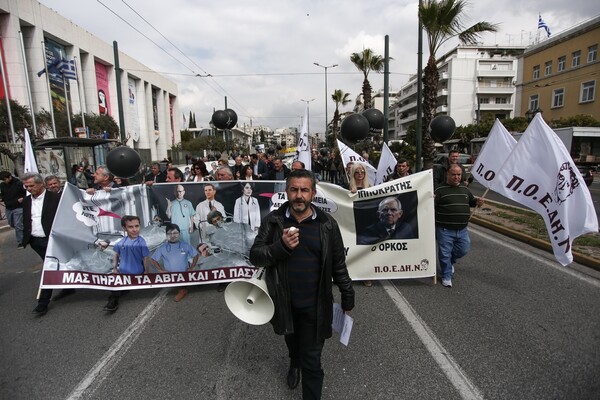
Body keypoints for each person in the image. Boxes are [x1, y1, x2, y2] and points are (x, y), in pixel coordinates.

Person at [249, 169, 355, 399]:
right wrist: (281, 247)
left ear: (313, 193)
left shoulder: (327, 224)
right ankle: (293, 361)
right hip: (284, 302)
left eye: (304, 190)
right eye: (294, 189)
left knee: (312, 362)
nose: (299, 195)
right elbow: (255, 255)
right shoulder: (274, 221)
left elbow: (338, 265)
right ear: (286, 191)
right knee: (291, 339)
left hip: (315, 306)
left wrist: (348, 297)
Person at [22, 173, 74, 315]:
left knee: (48, 268)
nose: (29, 189)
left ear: (40, 184)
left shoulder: (56, 198)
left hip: (52, 240)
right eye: (26, 186)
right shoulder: (26, 201)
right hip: (35, 241)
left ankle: (43, 303)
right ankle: (69, 287)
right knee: (55, 265)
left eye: (31, 186)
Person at [434, 164, 484, 288]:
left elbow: (471, 202)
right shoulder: (439, 190)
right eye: (454, 174)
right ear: (447, 175)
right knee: (445, 253)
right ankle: (446, 276)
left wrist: (478, 202)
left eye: (459, 175)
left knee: (464, 249)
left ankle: (450, 262)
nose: (456, 177)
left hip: (462, 230)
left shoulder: (465, 189)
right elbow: (430, 207)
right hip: (444, 229)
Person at [104, 215, 150, 312]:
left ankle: (123, 289)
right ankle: (114, 301)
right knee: (114, 286)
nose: (134, 229)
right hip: (123, 273)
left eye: (137, 226)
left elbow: (145, 257)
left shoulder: (142, 242)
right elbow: (116, 254)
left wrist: (146, 271)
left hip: (137, 273)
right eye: (130, 227)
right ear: (124, 228)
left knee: (121, 287)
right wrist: (115, 268)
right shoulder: (121, 242)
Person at [150, 224, 199, 302]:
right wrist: (161, 270)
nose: (172, 236)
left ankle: (183, 290)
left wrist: (192, 267)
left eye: (175, 233)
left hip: (184, 275)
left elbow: (196, 255)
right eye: (169, 233)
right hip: (170, 276)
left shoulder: (185, 245)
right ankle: (182, 288)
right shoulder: (162, 247)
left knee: (182, 286)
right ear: (166, 235)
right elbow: (153, 259)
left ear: (179, 234)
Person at [0, 171, 26, 248]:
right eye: (3, 180)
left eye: (5, 179)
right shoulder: (2, 185)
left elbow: (26, 193)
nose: (5, 181)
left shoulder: (19, 184)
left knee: (18, 224)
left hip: (18, 207)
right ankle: (25, 231)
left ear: (10, 177)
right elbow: (3, 194)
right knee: (12, 223)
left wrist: (22, 199)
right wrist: (2, 198)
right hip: (9, 207)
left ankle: (21, 241)